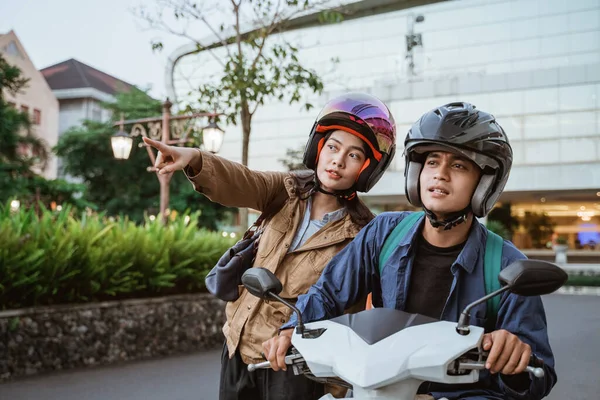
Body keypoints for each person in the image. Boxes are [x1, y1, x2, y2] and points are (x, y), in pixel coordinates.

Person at [264, 102, 557, 400]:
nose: (440, 174)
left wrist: (517, 358)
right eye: (432, 162)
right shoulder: (384, 233)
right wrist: (291, 330)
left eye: (458, 165)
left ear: (484, 183)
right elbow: (328, 293)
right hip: (374, 390)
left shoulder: (506, 265)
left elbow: (539, 377)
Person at [143, 92, 397, 400]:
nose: (338, 160)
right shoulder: (286, 191)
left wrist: (337, 386)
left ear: (369, 168)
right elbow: (242, 180)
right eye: (332, 147)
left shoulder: (362, 234)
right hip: (237, 347)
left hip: (294, 366)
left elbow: (353, 310)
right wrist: (196, 159)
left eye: (354, 155)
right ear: (318, 148)